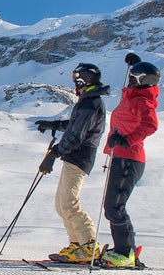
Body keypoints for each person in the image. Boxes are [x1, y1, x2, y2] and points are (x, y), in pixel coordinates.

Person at [36, 62, 109, 263]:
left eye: (76, 80)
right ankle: (76, 245)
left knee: (69, 202)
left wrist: (54, 153)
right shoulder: (89, 102)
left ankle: (88, 247)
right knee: (62, 205)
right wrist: (55, 125)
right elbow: (75, 126)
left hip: (79, 156)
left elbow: (77, 135)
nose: (74, 85)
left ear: (82, 81)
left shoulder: (90, 103)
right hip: (75, 157)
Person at [99, 54, 160, 267]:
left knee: (115, 206)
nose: (130, 79)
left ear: (144, 80)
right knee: (111, 206)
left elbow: (150, 125)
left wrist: (126, 140)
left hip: (129, 158)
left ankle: (126, 252)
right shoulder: (133, 96)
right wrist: (134, 64)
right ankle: (124, 249)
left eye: (135, 77)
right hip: (120, 156)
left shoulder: (143, 100)